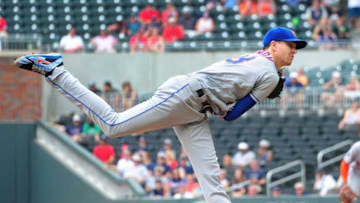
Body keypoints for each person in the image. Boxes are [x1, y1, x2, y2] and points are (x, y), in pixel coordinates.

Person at [14, 26, 307, 203]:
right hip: (186, 96)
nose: (295, 51)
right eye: (291, 45)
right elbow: (230, 117)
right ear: (273, 45)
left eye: (297, 47)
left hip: (194, 108)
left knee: (211, 182)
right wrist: (265, 91)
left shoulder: (260, 62)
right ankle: (57, 71)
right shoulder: (270, 73)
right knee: (114, 126)